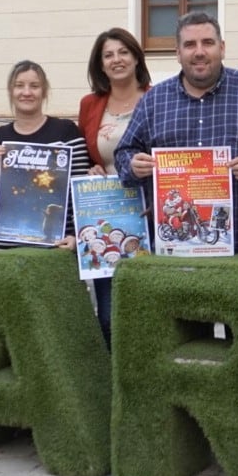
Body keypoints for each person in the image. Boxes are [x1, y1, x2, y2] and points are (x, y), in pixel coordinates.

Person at [115, 12, 238, 257]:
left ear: (222, 48)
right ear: (178, 53)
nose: (199, 52)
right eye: (190, 45)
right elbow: (123, 152)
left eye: (208, 43)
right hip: (173, 252)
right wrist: (133, 164)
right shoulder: (153, 101)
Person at [79, 29, 153, 342]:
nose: (116, 59)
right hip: (106, 215)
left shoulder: (157, 97)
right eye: (108, 55)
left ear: (136, 57)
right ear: (101, 64)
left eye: (123, 52)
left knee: (147, 309)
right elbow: (82, 153)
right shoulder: (90, 104)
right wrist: (88, 168)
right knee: (109, 315)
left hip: (148, 216)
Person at [0, 61, 90, 246]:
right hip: (6, 247)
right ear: (11, 91)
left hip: (58, 244)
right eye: (19, 86)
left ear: (44, 92)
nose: (26, 92)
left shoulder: (66, 132)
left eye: (34, 86)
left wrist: (77, 235)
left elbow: (80, 191)